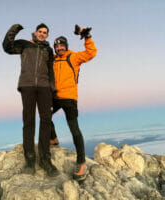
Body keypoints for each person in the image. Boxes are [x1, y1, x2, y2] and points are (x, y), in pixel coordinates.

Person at [2, 23, 59, 177]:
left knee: (46, 120)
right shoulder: (24, 45)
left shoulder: (48, 49)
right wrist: (14, 29)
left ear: (47, 35)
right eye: (40, 31)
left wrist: (52, 88)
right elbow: (7, 47)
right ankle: (30, 160)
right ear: (35, 32)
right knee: (29, 121)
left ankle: (45, 160)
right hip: (27, 85)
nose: (42, 34)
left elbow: (50, 70)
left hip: (44, 87)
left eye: (45, 32)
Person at [50, 25, 97, 181]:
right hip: (55, 97)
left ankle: (81, 163)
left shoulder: (73, 57)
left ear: (66, 46)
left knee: (74, 129)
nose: (59, 48)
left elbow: (91, 53)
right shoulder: (54, 61)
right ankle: (53, 140)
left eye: (62, 45)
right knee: (45, 115)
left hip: (69, 98)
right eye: (57, 46)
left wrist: (87, 36)